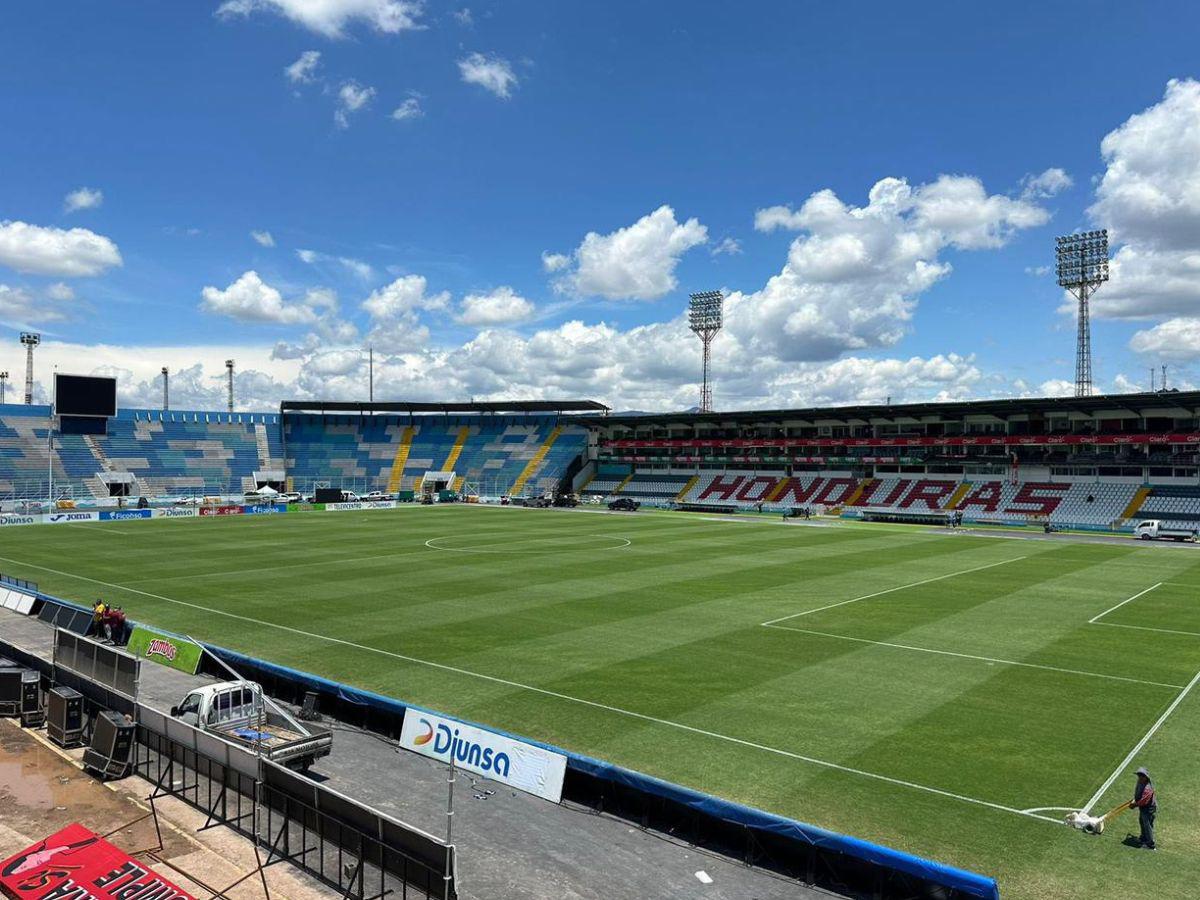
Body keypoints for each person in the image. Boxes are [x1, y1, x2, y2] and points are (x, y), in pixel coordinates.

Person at [1131, 767, 1157, 849]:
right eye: (1139, 775)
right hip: (1143, 807)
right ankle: (1143, 838)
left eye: (1141, 776)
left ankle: (1150, 844)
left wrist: (1134, 804)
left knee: (1147, 825)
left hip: (1148, 808)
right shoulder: (1140, 782)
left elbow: (1144, 801)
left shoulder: (1148, 788)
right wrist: (1135, 800)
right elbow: (1138, 792)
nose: (1140, 777)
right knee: (1142, 821)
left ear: (1146, 777)